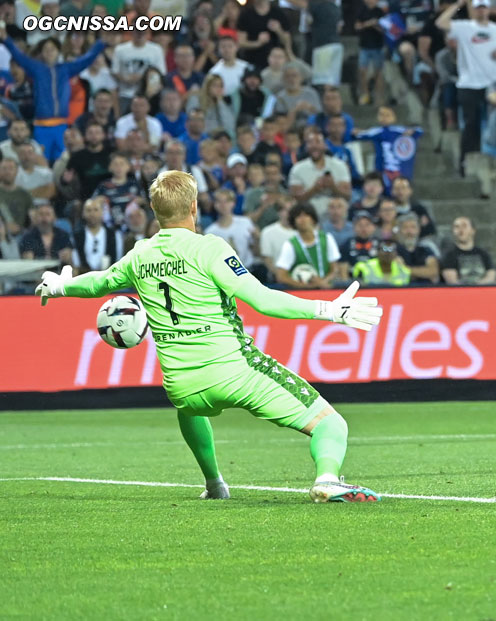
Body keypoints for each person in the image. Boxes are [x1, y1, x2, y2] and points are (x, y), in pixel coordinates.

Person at [35, 170, 382, 503]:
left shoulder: (140, 254)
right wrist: (328, 310)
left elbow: (99, 282)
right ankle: (326, 479)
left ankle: (214, 483)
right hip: (235, 373)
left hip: (181, 385)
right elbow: (262, 300)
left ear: (154, 211)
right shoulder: (210, 248)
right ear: (194, 208)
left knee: (189, 410)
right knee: (330, 423)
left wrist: (61, 285)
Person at [0, 27, 106, 162]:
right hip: (41, 126)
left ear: (58, 52)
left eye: (52, 49)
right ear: (42, 53)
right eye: (46, 50)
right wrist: (7, 41)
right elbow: (19, 57)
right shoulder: (36, 68)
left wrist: (100, 44)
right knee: (41, 162)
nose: (49, 52)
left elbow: (86, 59)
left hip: (61, 125)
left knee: (62, 161)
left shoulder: (66, 69)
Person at [435, 0, 496, 174]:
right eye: (478, 7)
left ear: (488, 9)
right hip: (469, 83)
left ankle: (492, 162)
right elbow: (440, 23)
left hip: (491, 82)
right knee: (471, 125)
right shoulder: (464, 27)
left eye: (484, 7)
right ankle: (465, 162)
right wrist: (458, 4)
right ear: (474, 10)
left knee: (494, 124)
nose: (481, 10)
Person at [274, 202, 340, 289]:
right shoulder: (290, 245)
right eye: (298, 216)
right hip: (302, 293)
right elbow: (281, 276)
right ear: (294, 222)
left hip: (326, 289)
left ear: (313, 219)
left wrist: (323, 282)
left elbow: (334, 269)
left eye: (306, 215)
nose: (302, 219)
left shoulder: (327, 239)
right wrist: (308, 286)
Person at [440, 216, 496, 285]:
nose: (460, 230)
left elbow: (491, 275)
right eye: (456, 227)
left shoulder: (483, 254)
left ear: (473, 230)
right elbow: (452, 281)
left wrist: (478, 287)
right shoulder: (449, 255)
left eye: (464, 226)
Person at [73, 196, 122, 273]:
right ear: (83, 213)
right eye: (88, 210)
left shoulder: (115, 235)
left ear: (102, 212)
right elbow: (76, 262)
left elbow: (118, 261)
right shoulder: (76, 236)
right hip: (83, 278)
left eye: (96, 210)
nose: (92, 214)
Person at [395, 213, 440, 284]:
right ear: (399, 231)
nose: (409, 232)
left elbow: (433, 272)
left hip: (425, 290)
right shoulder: (394, 250)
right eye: (405, 227)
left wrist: (405, 269)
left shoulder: (426, 250)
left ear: (418, 230)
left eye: (413, 227)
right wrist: (421, 272)